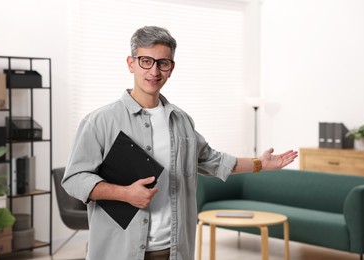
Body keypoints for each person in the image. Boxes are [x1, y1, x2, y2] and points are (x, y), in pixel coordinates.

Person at [62, 26, 298, 260]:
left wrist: (260, 163)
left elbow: (212, 161)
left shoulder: (181, 121)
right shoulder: (100, 121)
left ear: (171, 68)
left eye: (162, 63)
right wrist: (125, 194)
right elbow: (74, 179)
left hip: (175, 250)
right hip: (119, 251)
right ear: (131, 63)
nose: (154, 71)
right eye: (146, 61)